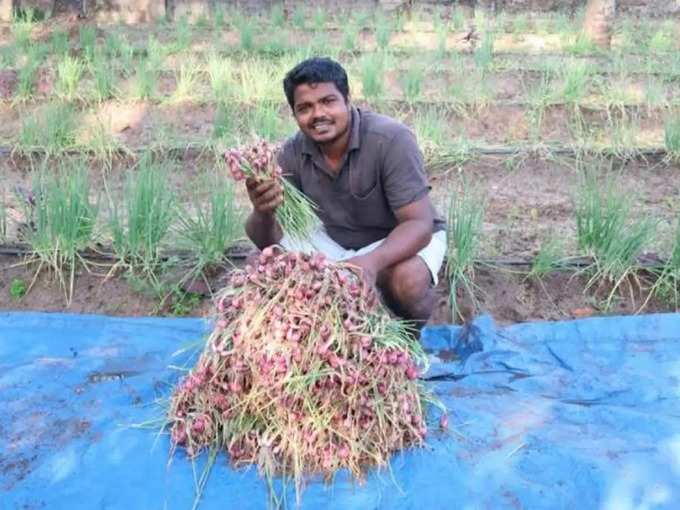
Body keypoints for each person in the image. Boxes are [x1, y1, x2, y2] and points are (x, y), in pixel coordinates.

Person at [244, 57, 446, 325]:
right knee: (261, 262)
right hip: (333, 241)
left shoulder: (391, 139)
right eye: (304, 107)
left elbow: (419, 224)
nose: (318, 115)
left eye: (328, 101)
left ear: (347, 100)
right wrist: (262, 210)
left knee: (406, 282)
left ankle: (413, 338)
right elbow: (266, 240)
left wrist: (371, 263)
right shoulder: (291, 153)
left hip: (396, 239)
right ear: (294, 114)